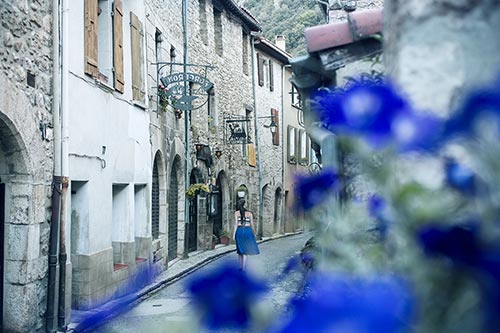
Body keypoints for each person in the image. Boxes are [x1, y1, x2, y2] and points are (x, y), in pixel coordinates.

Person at [233, 199, 260, 270]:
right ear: (244, 205)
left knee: (239, 250)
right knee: (245, 250)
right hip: (247, 231)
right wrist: (254, 232)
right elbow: (252, 224)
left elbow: (235, 224)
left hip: (239, 231)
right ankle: (244, 267)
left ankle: (240, 266)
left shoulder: (236, 213)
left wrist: (234, 234)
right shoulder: (249, 213)